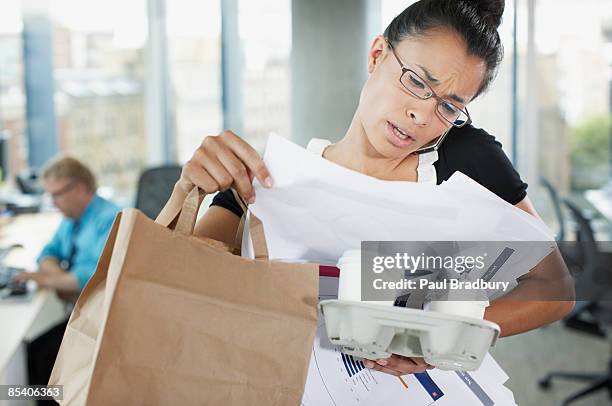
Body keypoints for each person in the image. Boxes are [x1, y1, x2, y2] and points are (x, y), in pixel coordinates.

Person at [158, 0, 575, 377]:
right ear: (377, 55)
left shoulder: (464, 160)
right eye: (416, 82)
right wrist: (184, 192)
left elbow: (554, 287)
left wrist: (450, 338)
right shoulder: (268, 181)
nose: (420, 114)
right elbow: (166, 289)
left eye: (449, 105)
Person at [15, 157, 119, 398]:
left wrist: (43, 278)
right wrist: (62, 279)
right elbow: (47, 254)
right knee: (35, 351)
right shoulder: (72, 220)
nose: (53, 203)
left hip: (103, 318)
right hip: (81, 307)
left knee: (38, 355)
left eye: (57, 195)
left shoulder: (110, 219)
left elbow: (88, 281)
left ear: (80, 188)